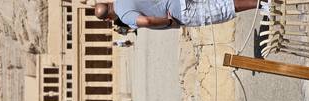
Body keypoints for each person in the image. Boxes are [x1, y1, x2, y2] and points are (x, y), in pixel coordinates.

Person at [94, 0, 259, 29]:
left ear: (108, 18)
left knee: (224, 9)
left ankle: (261, 3)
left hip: (179, 12)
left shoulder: (124, 15)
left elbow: (146, 21)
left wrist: (167, 22)